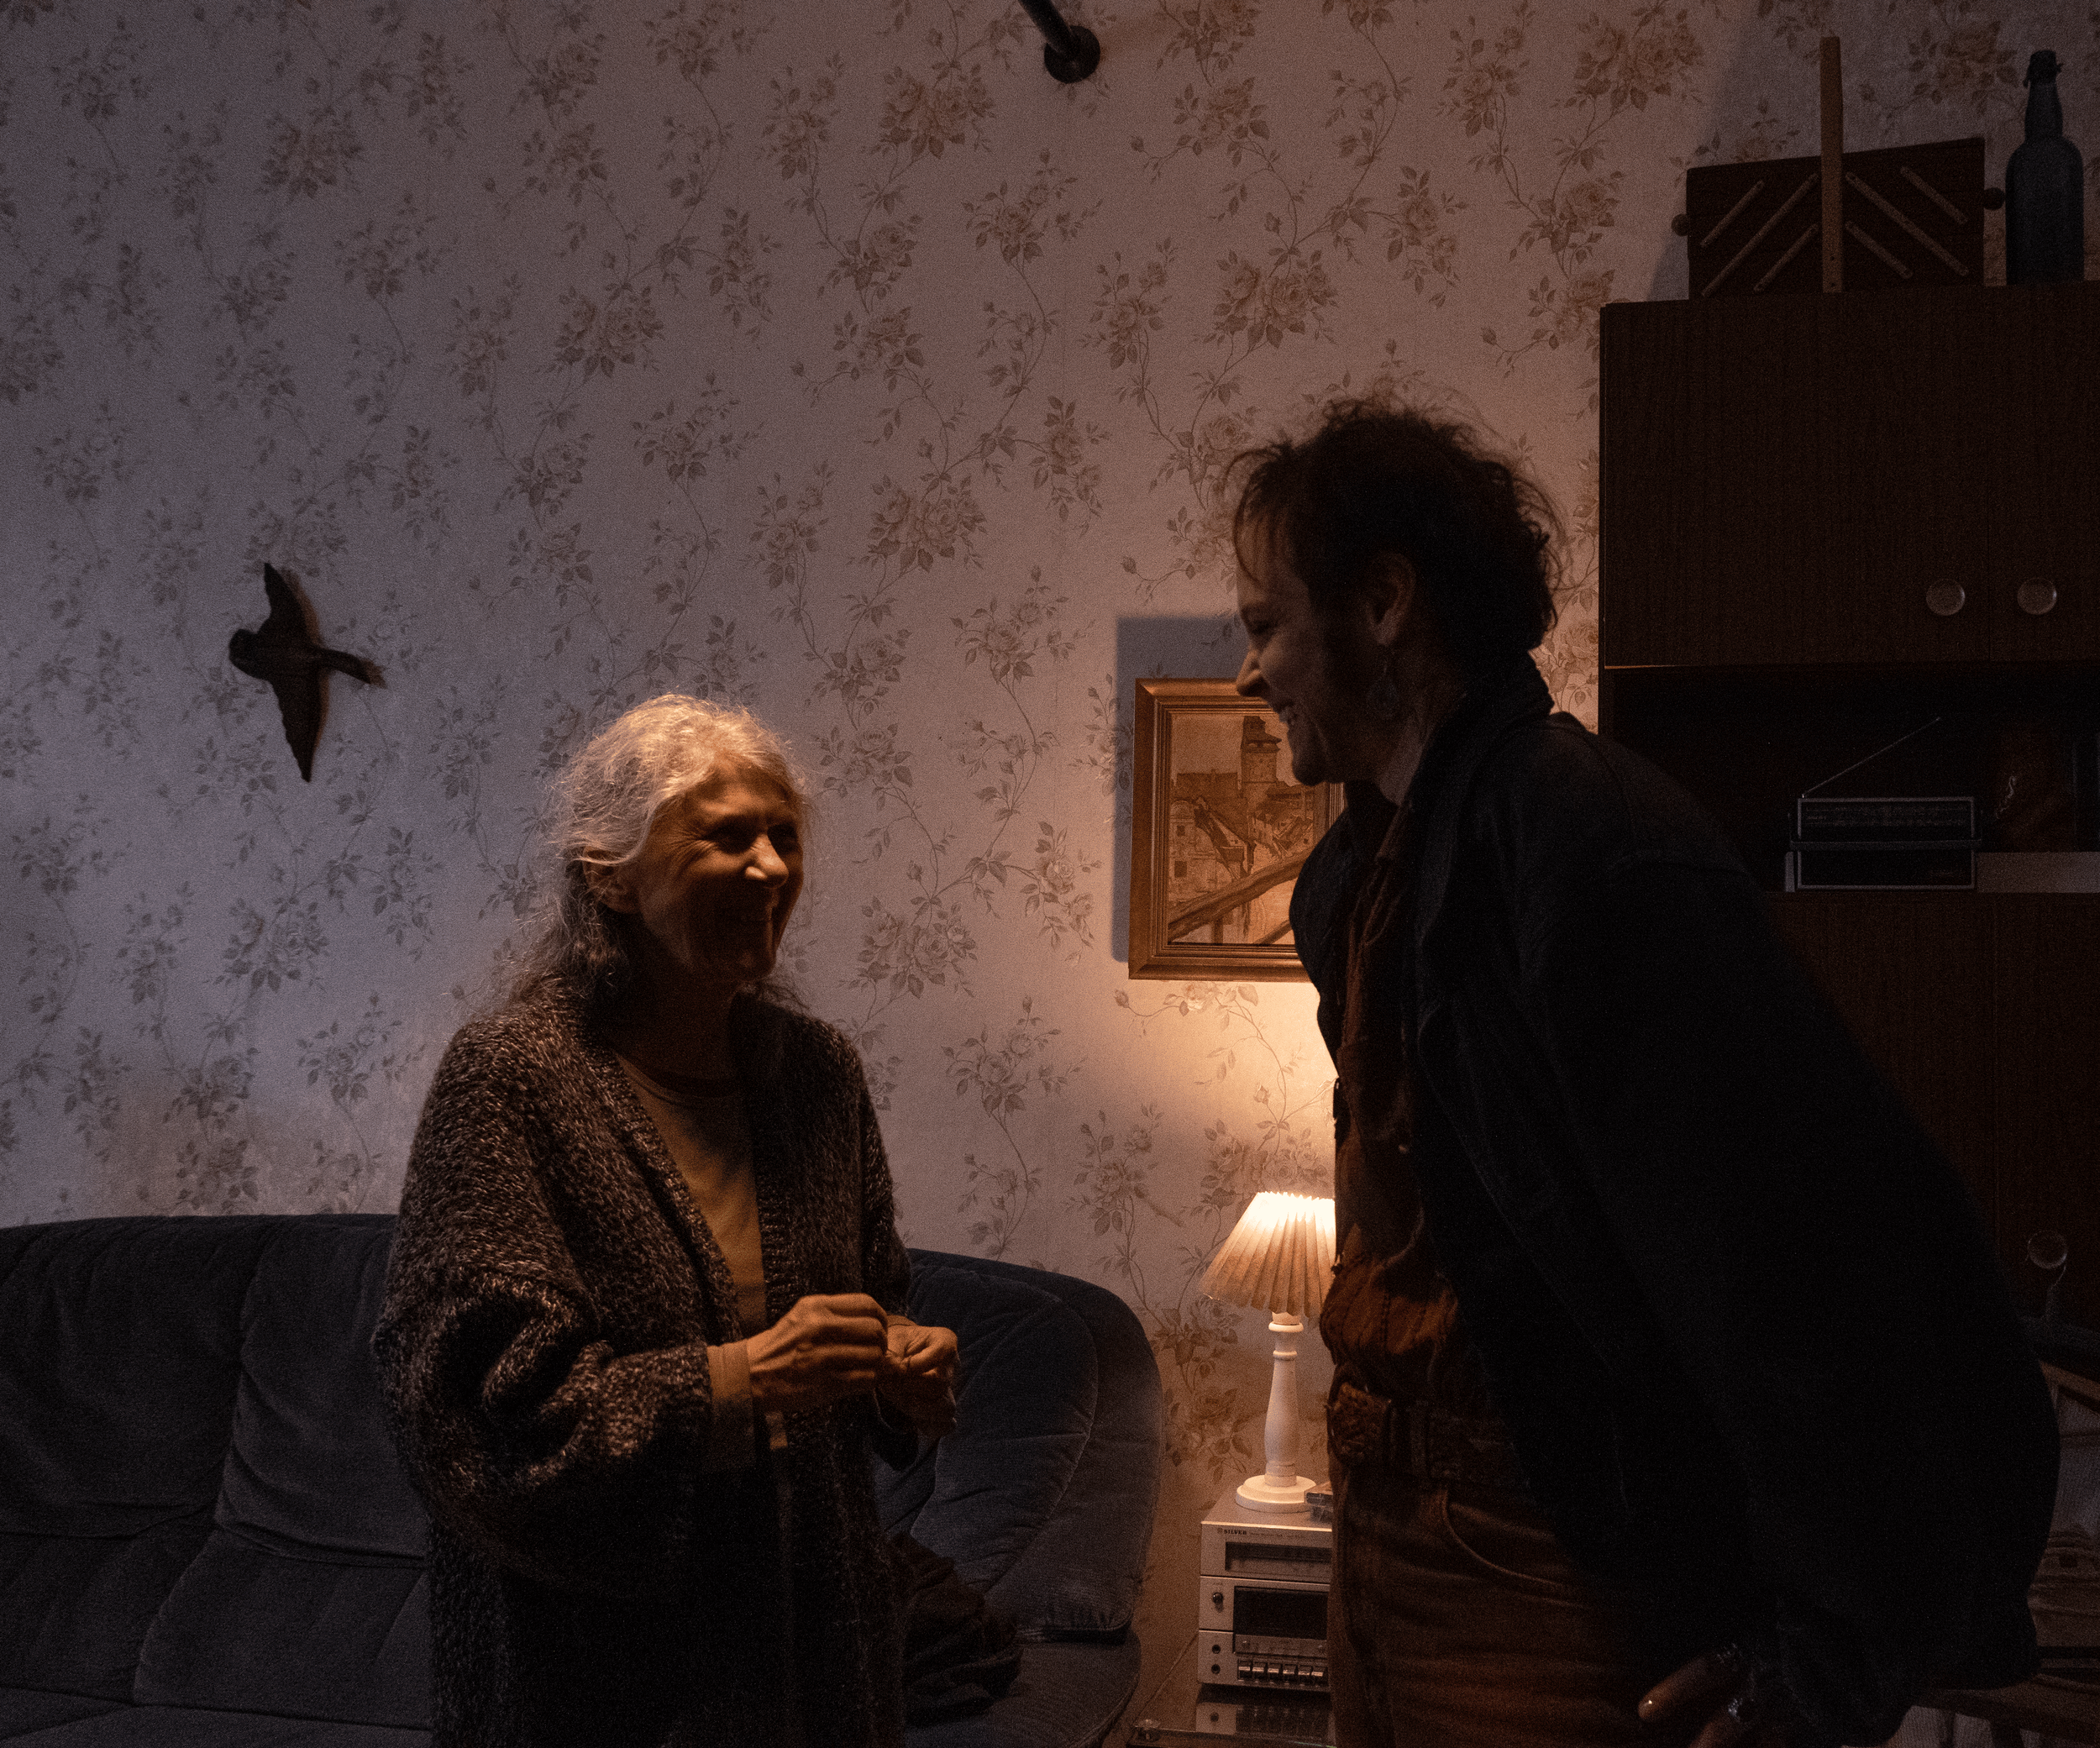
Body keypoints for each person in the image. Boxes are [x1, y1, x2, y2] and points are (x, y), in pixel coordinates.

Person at [1226, 400, 2058, 1748]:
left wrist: (1830, 1649)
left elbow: (1790, 1271)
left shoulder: (1583, 843)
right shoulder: (1356, 882)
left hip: (1539, 1559)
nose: (1248, 674)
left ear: (1382, 603)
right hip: (1384, 1529)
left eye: (1266, 625)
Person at [373, 694, 958, 1748]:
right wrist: (744, 1378)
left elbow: (874, 1300)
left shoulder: (816, 1073)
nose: (770, 866)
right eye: (727, 835)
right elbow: (472, 1421)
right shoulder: (513, 1080)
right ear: (609, 874)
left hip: (813, 1655)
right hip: (594, 1678)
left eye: (785, 834)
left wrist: (896, 1366)